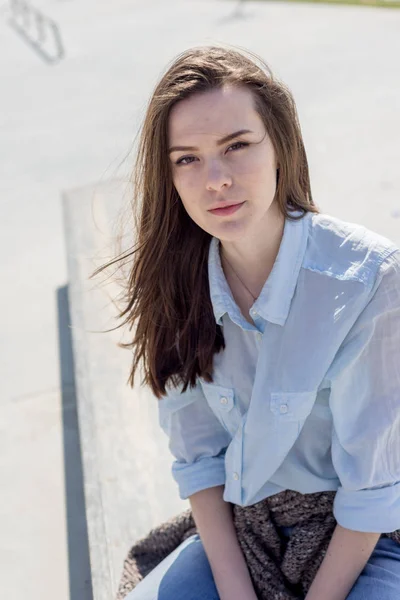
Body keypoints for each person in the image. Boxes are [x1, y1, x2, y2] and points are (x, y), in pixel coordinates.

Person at [100, 45, 400, 599]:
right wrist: (236, 591)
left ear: (281, 147)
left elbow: (372, 490)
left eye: (237, 146)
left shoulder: (368, 279)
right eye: (186, 158)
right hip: (245, 528)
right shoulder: (175, 280)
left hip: (370, 538)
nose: (215, 178)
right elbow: (200, 459)